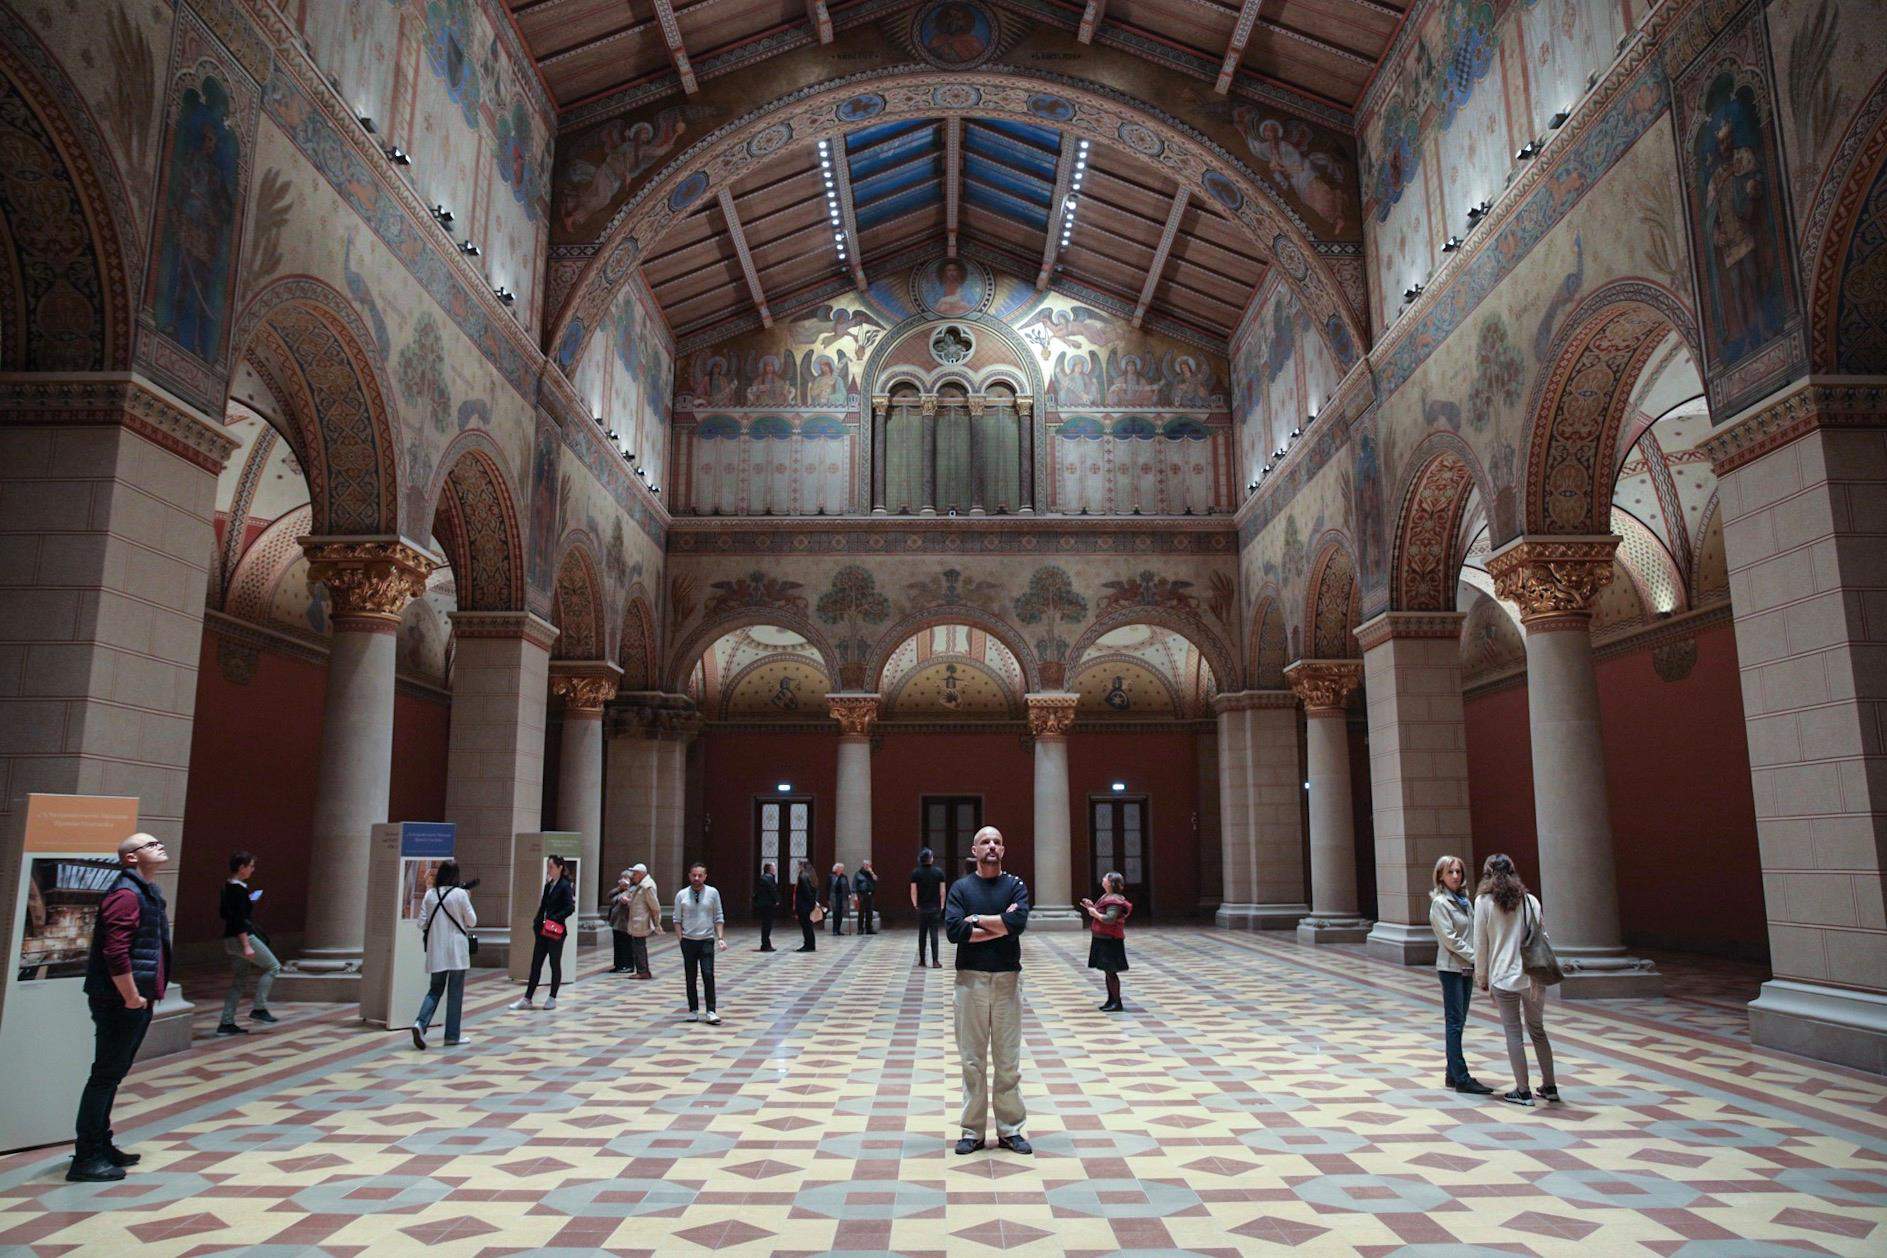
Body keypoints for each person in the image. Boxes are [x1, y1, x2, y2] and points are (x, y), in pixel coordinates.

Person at [70, 832, 172, 1182]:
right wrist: (131, 996)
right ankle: (86, 1157)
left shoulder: (146, 892)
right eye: (150, 844)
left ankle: (101, 1144)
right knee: (105, 1076)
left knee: (112, 1075)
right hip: (119, 1000)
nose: (159, 846)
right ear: (130, 858)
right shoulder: (126, 895)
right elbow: (115, 951)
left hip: (134, 999)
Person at [943, 825, 1032, 1155]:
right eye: (985, 842)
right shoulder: (961, 888)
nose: (991, 846)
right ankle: (972, 1131)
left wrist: (976, 920)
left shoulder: (1015, 885)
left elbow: (1018, 923)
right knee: (972, 1061)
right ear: (975, 850)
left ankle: (1010, 1130)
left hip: (1007, 980)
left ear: (1002, 850)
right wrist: (1000, 924)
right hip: (970, 980)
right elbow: (954, 931)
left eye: (997, 841)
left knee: (1008, 1061)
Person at [1472, 854, 1559, 1107]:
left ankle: (1523, 1090)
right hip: (1533, 975)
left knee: (1513, 1033)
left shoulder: (1484, 902)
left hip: (1503, 976)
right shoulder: (1530, 901)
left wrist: (1481, 976)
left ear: (1487, 874)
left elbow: (1480, 943)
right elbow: (1543, 936)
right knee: (1537, 1030)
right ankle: (1550, 1086)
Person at [1430, 854, 1493, 1095]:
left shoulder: (1465, 901)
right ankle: (1462, 1077)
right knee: (1454, 1022)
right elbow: (1450, 939)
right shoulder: (1440, 903)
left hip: (1466, 967)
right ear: (1440, 876)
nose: (1455, 876)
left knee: (1460, 1021)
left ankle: (1452, 1073)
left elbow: (1474, 932)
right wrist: (1477, 956)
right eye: (1450, 872)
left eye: (1458, 871)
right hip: (1451, 968)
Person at [412, 860, 476, 1049]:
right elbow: (472, 921)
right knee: (455, 994)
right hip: (456, 951)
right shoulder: (460, 895)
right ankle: (452, 1036)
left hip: (437, 950)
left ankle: (420, 1023)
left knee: (435, 990)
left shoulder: (430, 895)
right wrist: (467, 899)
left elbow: (421, 923)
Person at [216, 850, 279, 1035]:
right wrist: (246, 945)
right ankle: (259, 1008)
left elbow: (226, 913)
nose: (253, 869)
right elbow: (239, 920)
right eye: (251, 866)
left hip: (230, 939)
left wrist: (248, 900)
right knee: (273, 967)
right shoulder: (238, 890)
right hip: (242, 938)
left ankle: (226, 1022)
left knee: (239, 980)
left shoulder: (229, 887)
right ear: (241, 867)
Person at [511, 854, 575, 1010]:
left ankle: (552, 997)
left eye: (551, 867)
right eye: (548, 866)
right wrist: (537, 921)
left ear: (560, 868)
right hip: (542, 930)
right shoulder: (549, 885)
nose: (549, 870)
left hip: (555, 931)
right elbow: (543, 906)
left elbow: (569, 908)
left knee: (554, 963)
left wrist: (555, 918)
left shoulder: (565, 886)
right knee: (536, 963)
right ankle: (527, 998)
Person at [673, 862, 727, 1024]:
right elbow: (677, 919)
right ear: (689, 876)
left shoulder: (713, 893)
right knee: (690, 976)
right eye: (694, 875)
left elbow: (718, 916)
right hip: (688, 941)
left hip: (706, 940)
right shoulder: (681, 895)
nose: (697, 878)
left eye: (700, 875)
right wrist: (681, 939)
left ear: (705, 876)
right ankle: (693, 1010)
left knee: (708, 974)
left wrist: (720, 938)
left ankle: (711, 1010)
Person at [1079, 871, 1132, 1012]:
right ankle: (1111, 1000)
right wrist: (1092, 906)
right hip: (1103, 938)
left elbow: (1109, 919)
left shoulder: (1114, 900)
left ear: (1111, 883)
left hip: (1110, 940)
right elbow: (1104, 913)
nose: (1103, 879)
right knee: (1107, 972)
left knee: (1111, 971)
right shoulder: (1107, 897)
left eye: (1106, 878)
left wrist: (1095, 913)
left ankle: (1116, 1002)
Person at [621, 862, 661, 978]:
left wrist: (657, 922)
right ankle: (641, 970)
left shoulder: (647, 886)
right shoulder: (641, 885)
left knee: (639, 946)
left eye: (635, 874)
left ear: (640, 874)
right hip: (637, 920)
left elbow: (654, 905)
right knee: (637, 946)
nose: (633, 876)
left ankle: (643, 971)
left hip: (641, 920)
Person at [910, 847, 947, 969]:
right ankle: (935, 961)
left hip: (922, 907)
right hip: (935, 907)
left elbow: (913, 891)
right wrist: (942, 904)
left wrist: (915, 904)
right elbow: (942, 891)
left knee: (922, 934)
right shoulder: (938, 872)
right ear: (930, 859)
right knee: (934, 934)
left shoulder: (916, 873)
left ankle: (922, 960)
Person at [607, 870, 636, 972]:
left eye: (626, 878)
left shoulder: (633, 890)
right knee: (618, 944)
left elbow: (635, 904)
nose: (623, 880)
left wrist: (627, 900)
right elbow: (610, 896)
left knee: (626, 944)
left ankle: (628, 965)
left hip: (626, 922)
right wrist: (620, 888)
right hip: (616, 922)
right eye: (622, 878)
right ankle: (618, 965)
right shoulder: (619, 890)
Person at [753, 861, 780, 951]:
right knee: (767, 925)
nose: (775, 869)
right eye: (774, 868)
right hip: (768, 905)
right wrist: (777, 900)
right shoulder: (768, 878)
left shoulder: (764, 877)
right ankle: (766, 945)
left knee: (766, 925)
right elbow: (772, 890)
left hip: (764, 904)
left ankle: (765, 944)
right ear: (770, 869)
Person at [794, 860, 819, 951]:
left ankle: (808, 945)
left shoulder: (803, 877)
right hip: (808, 905)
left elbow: (806, 892)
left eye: (798, 866)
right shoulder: (811, 876)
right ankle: (810, 944)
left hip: (804, 905)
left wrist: (807, 903)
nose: (797, 868)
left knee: (806, 926)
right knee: (808, 926)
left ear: (802, 866)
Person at [854, 860, 878, 935]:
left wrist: (872, 873)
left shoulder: (871, 873)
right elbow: (854, 884)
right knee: (861, 913)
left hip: (870, 895)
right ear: (863, 865)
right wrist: (855, 896)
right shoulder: (858, 874)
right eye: (866, 865)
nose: (867, 866)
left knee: (869, 912)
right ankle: (860, 929)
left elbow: (876, 879)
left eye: (868, 865)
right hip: (861, 895)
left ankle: (869, 928)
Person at [827, 862, 851, 936]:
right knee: (835, 913)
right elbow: (828, 887)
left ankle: (838, 930)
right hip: (834, 897)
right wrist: (828, 898)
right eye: (841, 868)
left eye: (842, 868)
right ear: (837, 869)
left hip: (842, 897)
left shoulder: (844, 877)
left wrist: (849, 894)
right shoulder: (831, 876)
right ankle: (834, 930)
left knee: (841, 913)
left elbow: (847, 886)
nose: (842, 869)